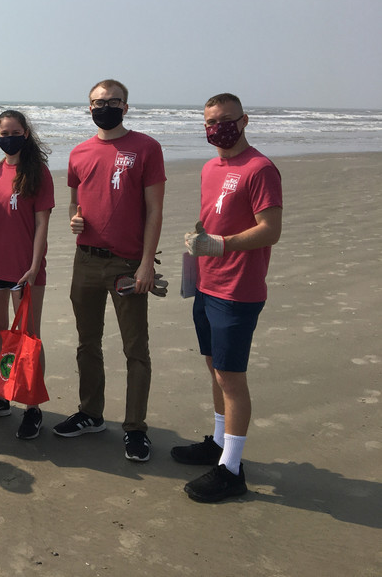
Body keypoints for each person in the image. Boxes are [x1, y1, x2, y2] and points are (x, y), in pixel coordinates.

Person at [171, 93, 282, 502]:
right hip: (206, 283)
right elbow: (215, 217)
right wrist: (199, 248)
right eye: (209, 122)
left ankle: (232, 469)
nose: (217, 128)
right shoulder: (210, 166)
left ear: (244, 120)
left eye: (224, 120)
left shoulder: (260, 168)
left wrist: (221, 244)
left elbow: (270, 228)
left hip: (238, 289)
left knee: (231, 377)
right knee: (214, 367)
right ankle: (218, 442)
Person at [54, 79, 165, 462]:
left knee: (135, 348)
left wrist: (147, 263)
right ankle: (91, 413)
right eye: (97, 102)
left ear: (125, 106)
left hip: (127, 263)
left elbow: (154, 211)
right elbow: (73, 203)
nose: (104, 107)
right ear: (89, 107)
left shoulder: (146, 147)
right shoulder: (80, 152)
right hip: (85, 260)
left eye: (112, 101)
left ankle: (135, 428)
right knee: (88, 342)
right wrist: (74, 220)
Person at [0, 110, 54, 439]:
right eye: (4, 132)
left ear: (25, 134)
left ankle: (32, 407)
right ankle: (2, 395)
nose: (9, 136)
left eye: (15, 131)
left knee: (28, 339)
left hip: (25, 270)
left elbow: (42, 225)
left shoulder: (37, 173)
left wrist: (34, 266)